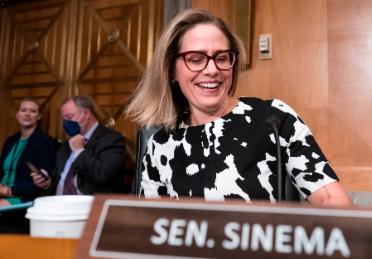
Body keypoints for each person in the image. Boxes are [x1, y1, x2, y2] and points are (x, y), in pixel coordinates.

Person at [126, 9, 351, 206]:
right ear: (172, 71)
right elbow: (149, 227)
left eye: (222, 58)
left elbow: (332, 199)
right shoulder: (160, 145)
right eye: (195, 59)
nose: (212, 70)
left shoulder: (274, 119)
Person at [31, 96, 126, 195]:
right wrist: (47, 182)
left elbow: (103, 174)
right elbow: (58, 178)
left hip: (89, 204)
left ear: (86, 114)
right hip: (58, 203)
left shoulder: (111, 139)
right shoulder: (66, 145)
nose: (65, 122)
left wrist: (79, 152)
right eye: (64, 118)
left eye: (69, 116)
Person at [0, 98, 56, 232]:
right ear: (17, 114)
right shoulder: (10, 141)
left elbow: (41, 183)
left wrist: (10, 190)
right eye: (23, 110)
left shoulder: (46, 142)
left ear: (39, 116)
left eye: (33, 111)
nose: (27, 114)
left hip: (24, 197)